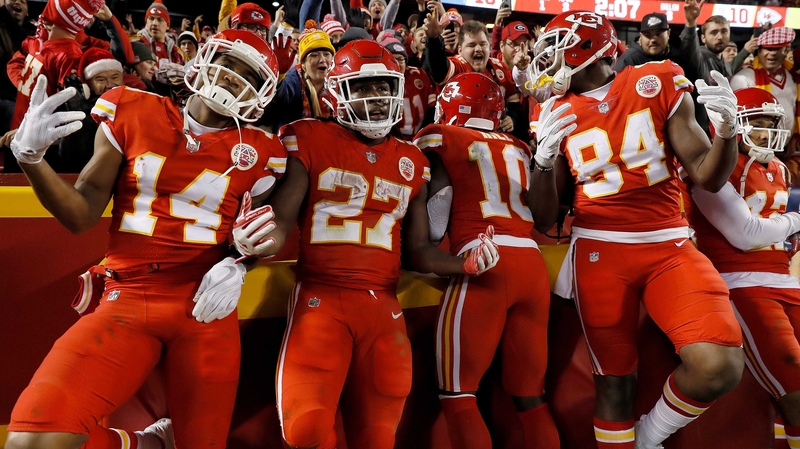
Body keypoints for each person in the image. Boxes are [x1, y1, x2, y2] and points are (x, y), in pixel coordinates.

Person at [4, 29, 285, 449]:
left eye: (248, 74)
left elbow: (256, 238)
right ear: (204, 59)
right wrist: (32, 160)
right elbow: (81, 215)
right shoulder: (131, 107)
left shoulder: (263, 151)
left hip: (205, 310)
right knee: (32, 440)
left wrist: (242, 261)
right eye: (229, 64)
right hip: (128, 296)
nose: (232, 79)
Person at [234, 39, 499, 449]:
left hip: (382, 309)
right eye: (363, 87)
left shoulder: (413, 162)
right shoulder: (309, 137)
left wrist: (464, 264)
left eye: (383, 87)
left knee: (378, 437)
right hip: (321, 300)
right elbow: (281, 223)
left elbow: (418, 251)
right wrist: (248, 245)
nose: (376, 98)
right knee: (305, 431)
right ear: (337, 91)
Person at [528, 11, 744, 449]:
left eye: (552, 53)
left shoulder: (656, 81)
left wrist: (726, 132)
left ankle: (647, 437)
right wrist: (542, 162)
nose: (544, 66)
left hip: (669, 244)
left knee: (719, 364)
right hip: (600, 251)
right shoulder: (552, 109)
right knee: (614, 382)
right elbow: (543, 215)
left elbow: (708, 175)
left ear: (585, 50)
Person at [414, 72, 559, 449]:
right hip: (531, 262)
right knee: (531, 399)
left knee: (458, 397)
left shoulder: (443, 137)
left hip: (484, 259)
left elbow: (436, 214)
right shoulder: (519, 146)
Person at [686, 87, 800, 449]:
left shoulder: (779, 167)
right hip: (740, 282)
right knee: (794, 382)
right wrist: (796, 220)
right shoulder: (714, 166)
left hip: (785, 280)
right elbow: (746, 234)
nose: (767, 134)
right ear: (734, 126)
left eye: (771, 124)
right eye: (758, 124)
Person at [423, 16, 525, 140]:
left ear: (489, 47)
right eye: (472, 45)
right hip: (456, 138)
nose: (478, 49)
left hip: (491, 139)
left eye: (483, 44)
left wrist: (512, 118)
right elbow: (439, 69)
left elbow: (514, 105)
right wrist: (433, 40)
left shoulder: (499, 68)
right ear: (460, 50)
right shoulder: (458, 65)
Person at [261, 22, 334, 130]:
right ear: (303, 64)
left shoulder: (337, 81)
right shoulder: (295, 79)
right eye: (314, 55)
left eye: (326, 54)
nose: (322, 59)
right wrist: (279, 76)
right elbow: (281, 95)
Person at [731, 27, 797, 137]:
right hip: (755, 146)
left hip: (786, 148)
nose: (772, 53)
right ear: (759, 51)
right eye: (768, 49)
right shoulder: (743, 78)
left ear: (785, 51)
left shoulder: (793, 76)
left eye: (776, 49)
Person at [381, 37, 435, 139]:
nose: (397, 63)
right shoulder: (379, 81)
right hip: (391, 139)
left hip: (420, 138)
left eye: (401, 59)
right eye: (392, 59)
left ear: (406, 63)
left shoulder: (419, 75)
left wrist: (423, 135)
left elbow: (431, 108)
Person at [614, 13, 682, 71]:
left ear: (668, 33)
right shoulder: (629, 60)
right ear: (641, 36)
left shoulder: (678, 57)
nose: (653, 40)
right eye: (647, 35)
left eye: (658, 34)